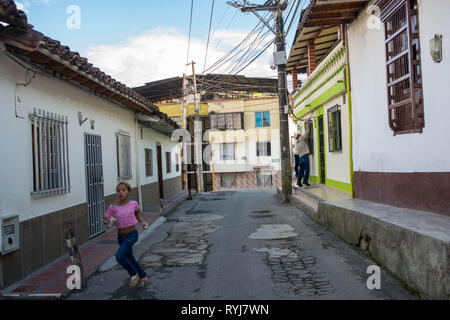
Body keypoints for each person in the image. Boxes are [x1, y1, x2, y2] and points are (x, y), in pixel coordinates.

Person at [104, 182, 149, 288]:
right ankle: (143, 276)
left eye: (123, 190)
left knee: (119, 256)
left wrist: (143, 222)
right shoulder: (113, 207)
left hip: (132, 235)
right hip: (121, 237)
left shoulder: (133, 203)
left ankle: (134, 274)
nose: (121, 192)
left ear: (128, 192)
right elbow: (108, 220)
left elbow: (137, 214)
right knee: (130, 258)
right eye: (118, 190)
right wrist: (108, 221)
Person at [294, 121, 311, 187]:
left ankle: (298, 182)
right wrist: (308, 124)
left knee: (301, 170)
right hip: (305, 156)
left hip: (300, 158)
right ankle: (305, 181)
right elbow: (307, 132)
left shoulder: (297, 143)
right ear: (299, 136)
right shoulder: (302, 139)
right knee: (307, 169)